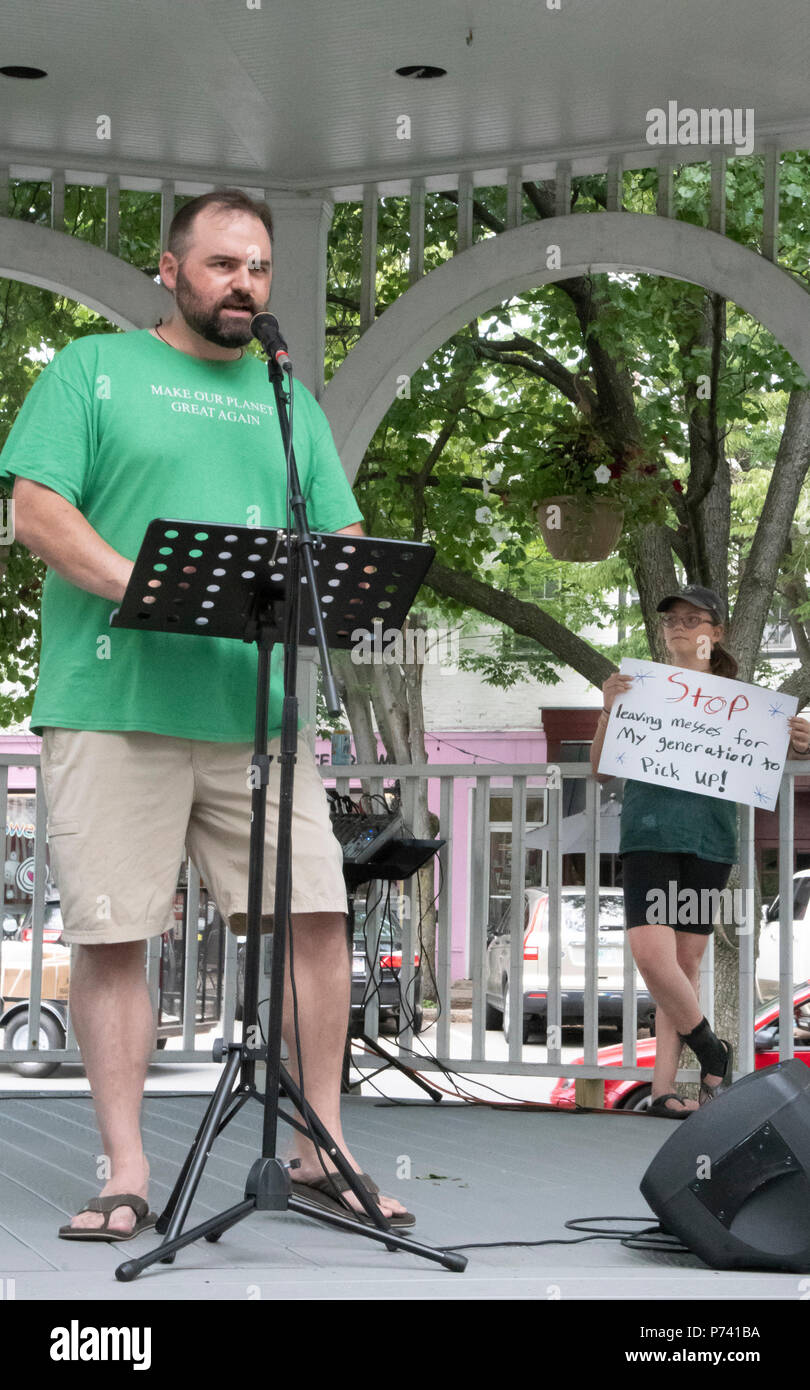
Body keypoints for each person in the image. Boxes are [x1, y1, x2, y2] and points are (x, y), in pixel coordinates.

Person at [0, 187, 412, 1235]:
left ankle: (322, 1143)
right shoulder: (92, 370)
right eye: (223, 263)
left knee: (318, 917)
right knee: (115, 934)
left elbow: (343, 535)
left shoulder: (289, 398)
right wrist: (146, 586)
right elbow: (37, 512)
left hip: (256, 718)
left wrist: (353, 580)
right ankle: (126, 1168)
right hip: (112, 702)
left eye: (260, 267)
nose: (245, 283)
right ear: (171, 270)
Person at [589, 585, 810, 1118]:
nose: (680, 627)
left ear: (718, 631)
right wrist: (606, 711)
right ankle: (711, 1048)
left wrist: (800, 740)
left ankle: (664, 1089)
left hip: (711, 839)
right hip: (649, 831)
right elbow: (601, 768)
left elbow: (775, 755)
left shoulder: (746, 703)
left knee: (684, 967)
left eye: (694, 619)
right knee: (650, 952)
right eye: (672, 620)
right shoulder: (636, 689)